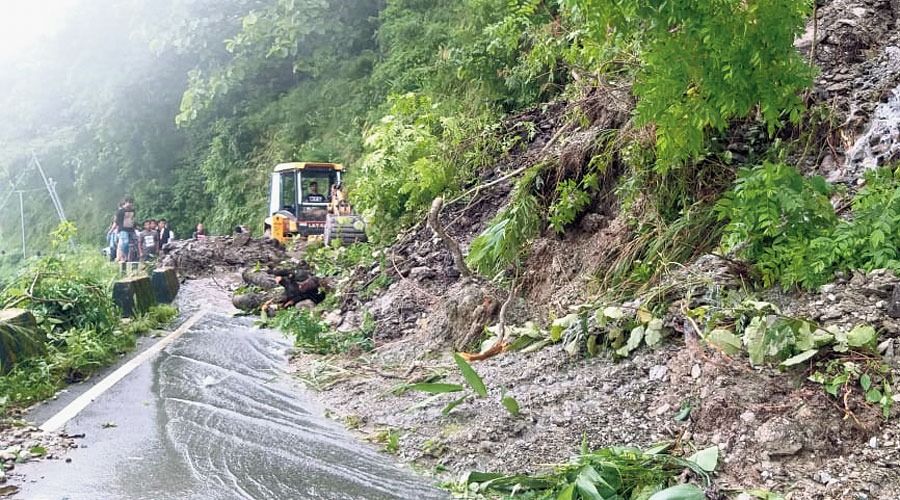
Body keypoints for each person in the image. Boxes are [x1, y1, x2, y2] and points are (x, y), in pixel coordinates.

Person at [115, 197, 137, 263]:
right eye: (129, 203)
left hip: (131, 229)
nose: (130, 205)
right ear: (126, 202)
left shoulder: (133, 211)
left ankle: (133, 257)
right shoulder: (120, 211)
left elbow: (133, 219)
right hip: (123, 229)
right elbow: (117, 221)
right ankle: (124, 256)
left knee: (136, 241)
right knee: (125, 242)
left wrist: (135, 226)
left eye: (131, 203)